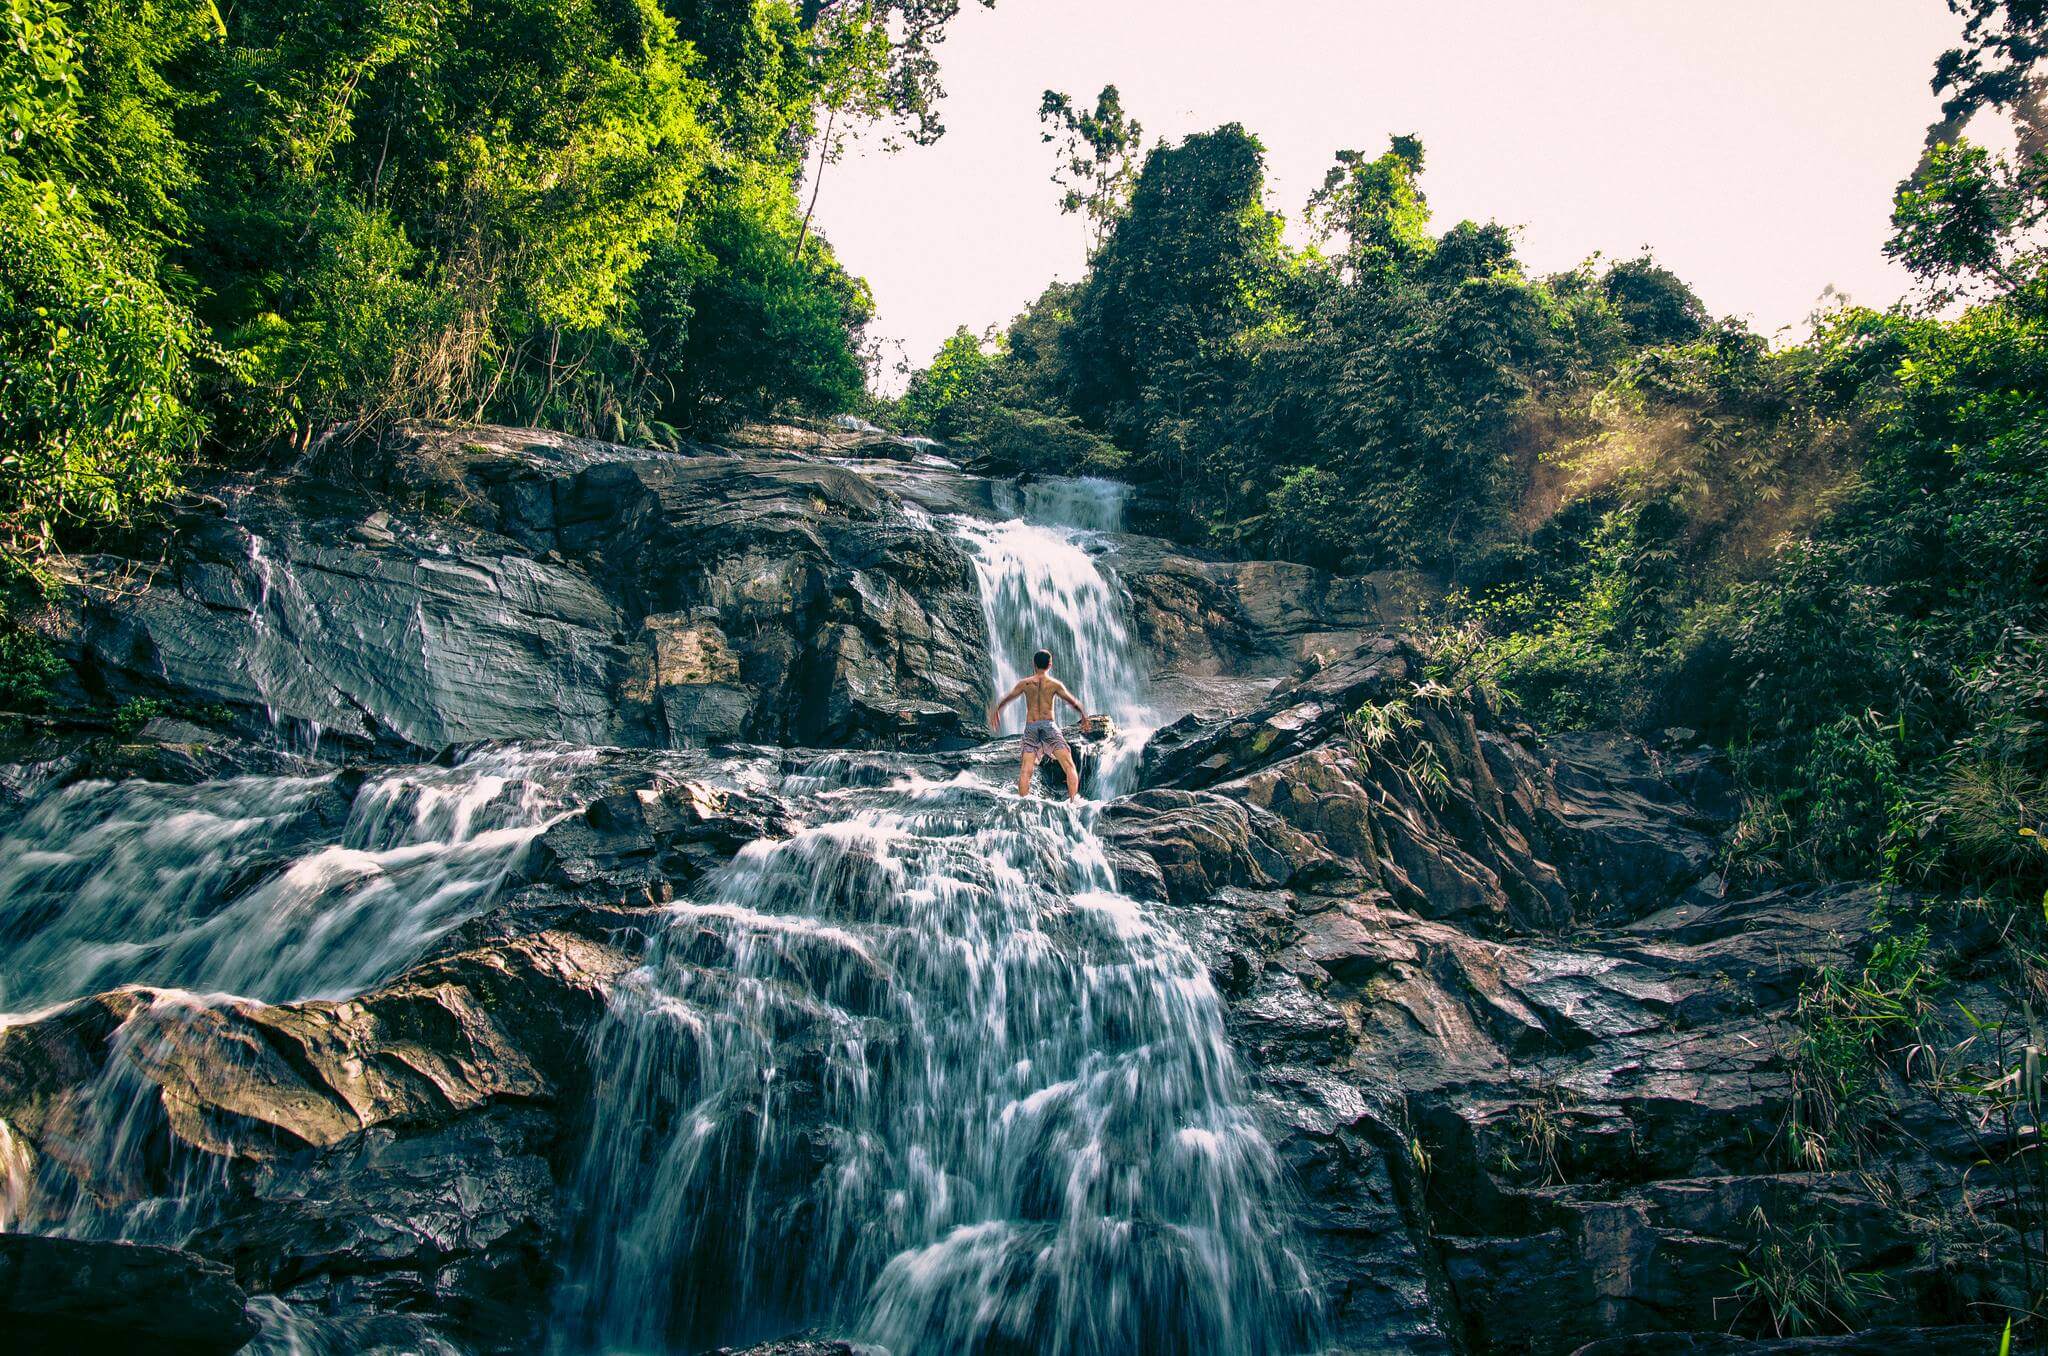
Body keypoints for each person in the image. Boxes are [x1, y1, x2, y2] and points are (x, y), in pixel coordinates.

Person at [989, 649, 1088, 799]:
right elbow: (1073, 702)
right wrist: (1084, 716)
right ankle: (1074, 802)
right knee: (1068, 765)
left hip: (1031, 727)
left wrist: (997, 709)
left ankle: (1023, 802)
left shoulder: (1025, 683)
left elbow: (1008, 697)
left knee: (1025, 770)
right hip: (1049, 726)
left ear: (1034, 664)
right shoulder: (1055, 684)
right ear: (1050, 664)